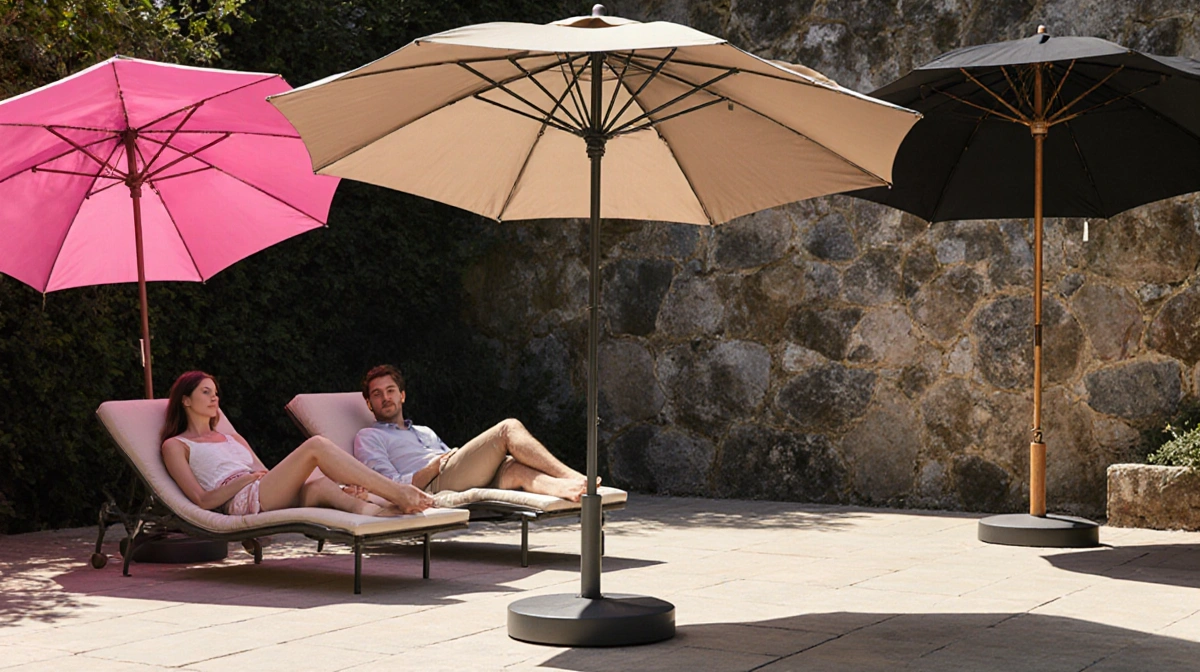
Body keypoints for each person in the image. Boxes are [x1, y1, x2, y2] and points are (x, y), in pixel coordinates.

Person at [161, 371, 433, 517]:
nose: (214, 398)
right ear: (185, 400)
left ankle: (380, 512)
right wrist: (244, 482)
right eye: (205, 392)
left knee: (324, 483)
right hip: (239, 498)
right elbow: (202, 499)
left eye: (216, 393)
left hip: (262, 490)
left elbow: (264, 474)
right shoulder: (177, 445)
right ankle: (398, 492)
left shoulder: (233, 438)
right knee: (316, 446)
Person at [354, 364, 592, 502]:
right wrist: (433, 468)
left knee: (514, 468)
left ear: (402, 395)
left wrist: (447, 461)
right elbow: (386, 485)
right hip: (432, 484)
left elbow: (453, 459)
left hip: (453, 471)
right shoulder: (368, 437)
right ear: (368, 404)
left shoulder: (424, 431)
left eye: (391, 391)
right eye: (377, 394)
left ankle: (567, 489)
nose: (385, 398)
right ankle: (572, 477)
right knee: (508, 428)